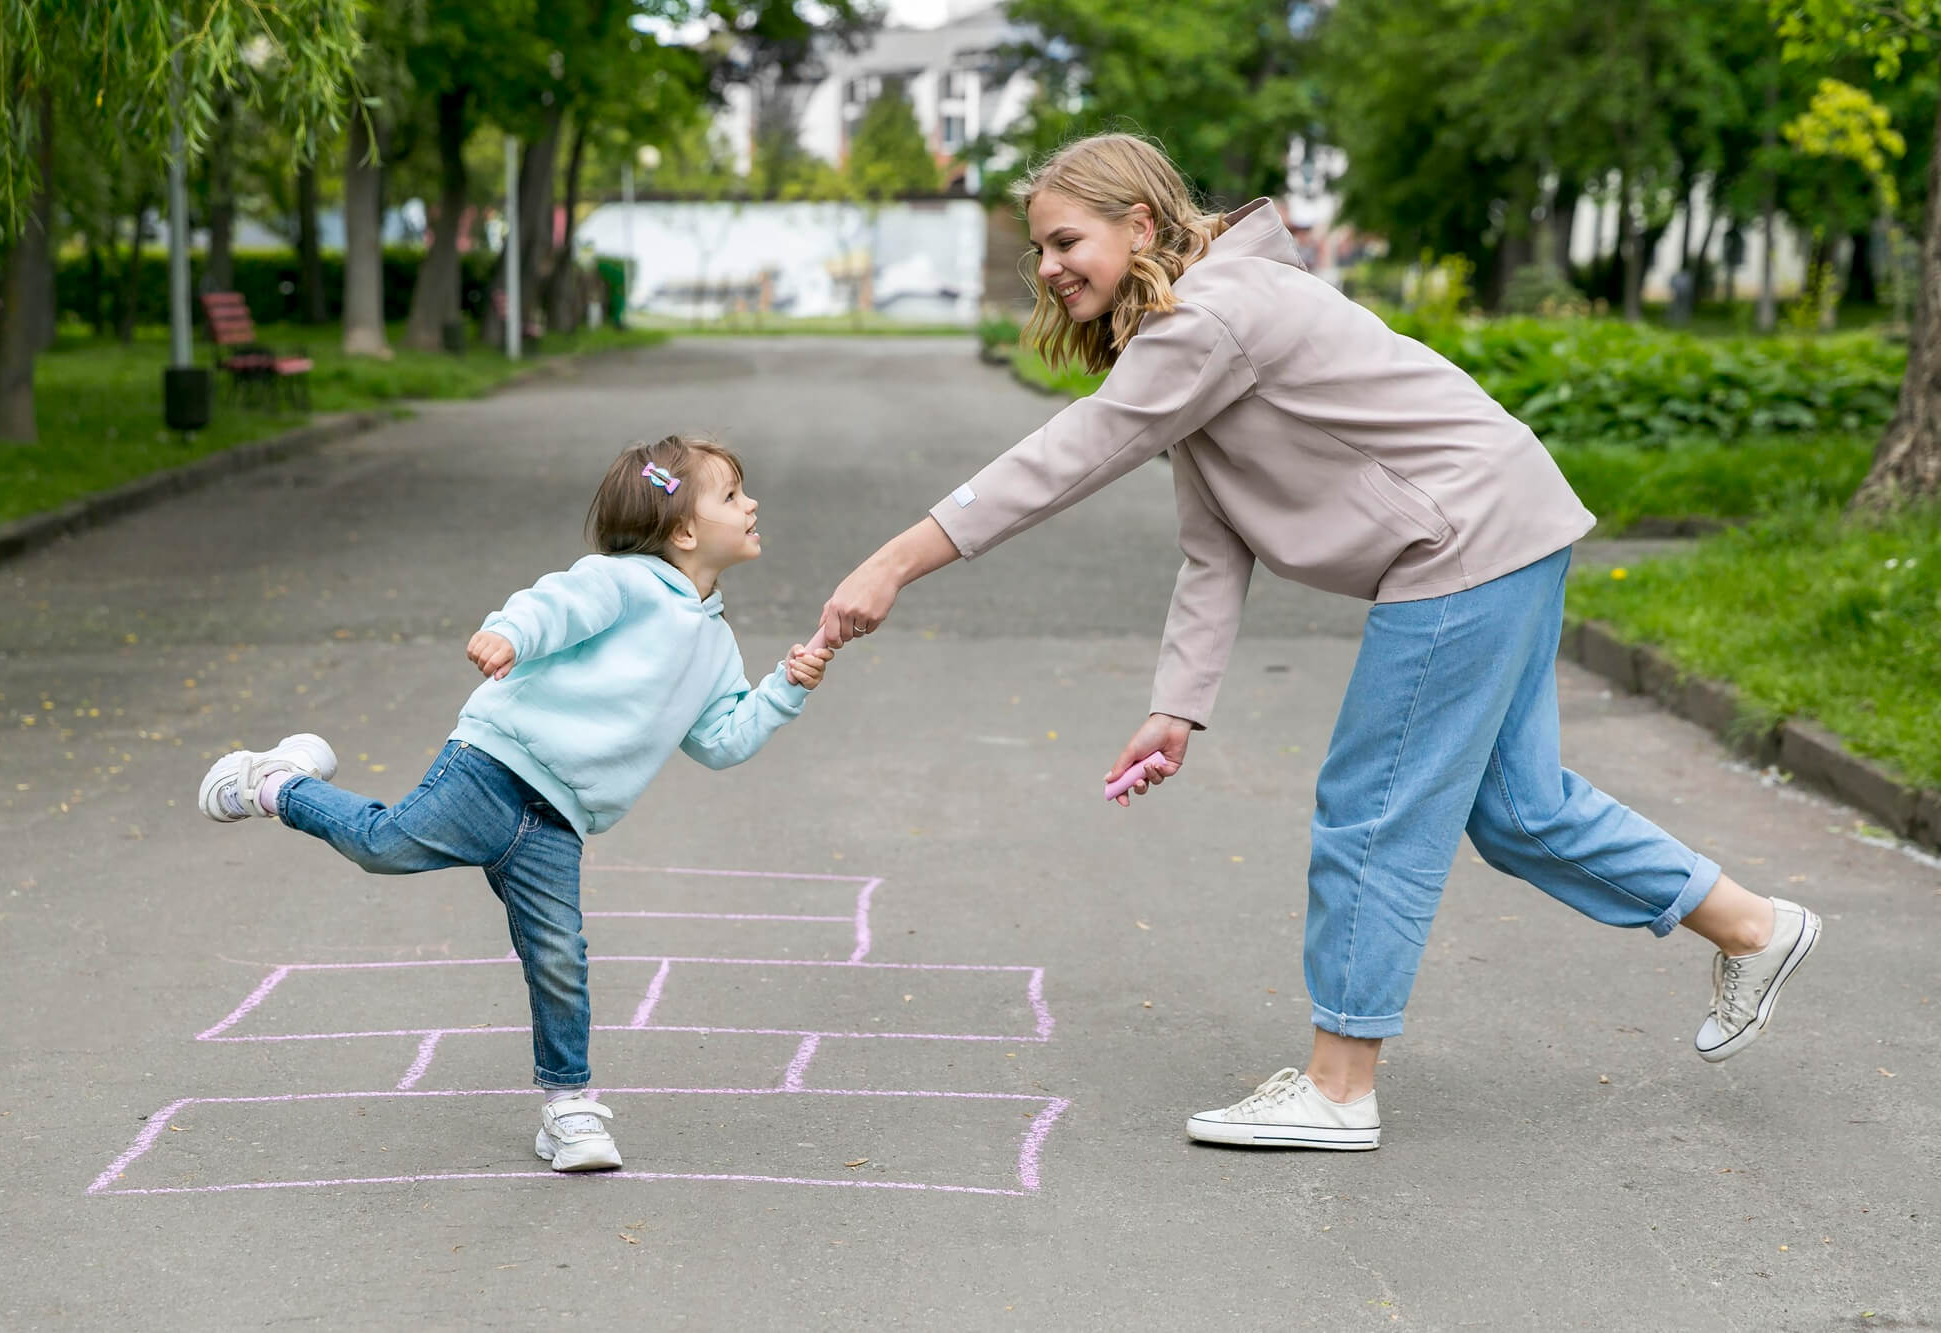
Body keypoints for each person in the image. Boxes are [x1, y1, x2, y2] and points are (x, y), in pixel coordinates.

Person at [817, 133, 1818, 1152]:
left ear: (1140, 226)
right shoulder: (1200, 318)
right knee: (1519, 811)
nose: (1047, 267)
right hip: (1504, 524)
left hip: (1462, 543)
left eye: (1065, 240)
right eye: (1037, 248)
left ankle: (1338, 1086)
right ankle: (1753, 926)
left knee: (1370, 808)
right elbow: (1213, 543)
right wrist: (1177, 704)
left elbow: (1065, 455)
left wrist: (892, 561)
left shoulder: (1212, 316)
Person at [197, 434, 834, 1171]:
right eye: (732, 495)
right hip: (495, 766)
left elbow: (722, 739)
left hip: (559, 819)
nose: (751, 503)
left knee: (559, 955)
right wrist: (509, 632)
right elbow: (555, 603)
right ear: (685, 531)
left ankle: (569, 1108)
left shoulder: (716, 645)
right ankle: (273, 781)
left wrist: (785, 688)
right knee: (383, 845)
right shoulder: (623, 582)